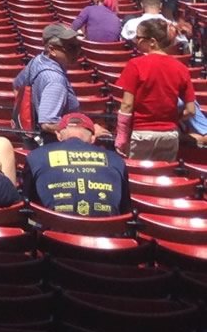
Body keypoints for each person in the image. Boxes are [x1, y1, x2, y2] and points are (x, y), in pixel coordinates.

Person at [116, 17, 195, 161]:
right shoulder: (181, 69)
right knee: (162, 178)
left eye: (139, 37)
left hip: (142, 134)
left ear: (152, 41)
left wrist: (121, 136)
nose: (135, 41)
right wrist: (171, 119)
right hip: (169, 134)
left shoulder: (135, 65)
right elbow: (191, 110)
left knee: (138, 178)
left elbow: (127, 105)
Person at [25, 112, 128, 217]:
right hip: (104, 230)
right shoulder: (117, 160)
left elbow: (27, 203)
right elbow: (125, 210)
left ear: (58, 136)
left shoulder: (36, 156)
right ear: (93, 138)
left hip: (54, 231)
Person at [12, 24, 82, 140]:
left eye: (78, 46)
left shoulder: (38, 60)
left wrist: (29, 114)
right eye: (71, 48)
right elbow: (48, 123)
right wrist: (85, 129)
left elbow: (16, 86)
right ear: (52, 50)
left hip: (33, 137)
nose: (77, 51)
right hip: (52, 143)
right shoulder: (55, 80)